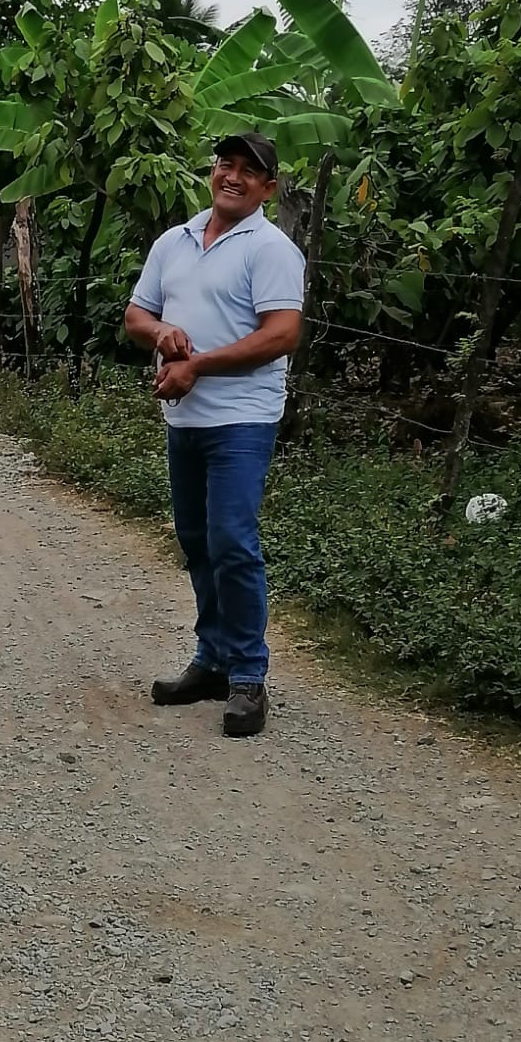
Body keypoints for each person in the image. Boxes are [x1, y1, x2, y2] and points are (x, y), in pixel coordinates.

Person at [124, 131, 304, 737]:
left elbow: (281, 334)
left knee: (232, 541)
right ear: (213, 171)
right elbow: (136, 313)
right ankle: (213, 660)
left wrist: (197, 365)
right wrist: (161, 334)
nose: (233, 176)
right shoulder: (174, 240)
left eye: (249, 171)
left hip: (242, 419)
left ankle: (249, 675)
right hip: (185, 418)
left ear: (267, 189)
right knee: (197, 540)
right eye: (226, 164)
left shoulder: (271, 249)